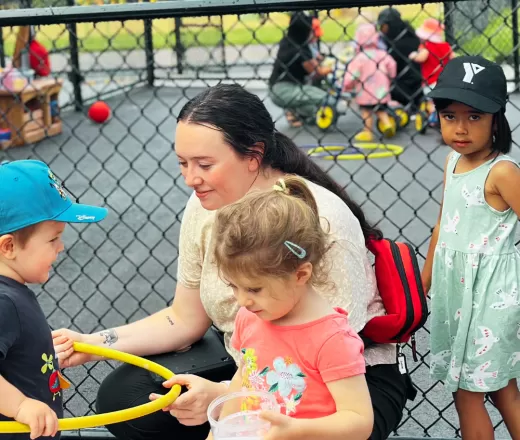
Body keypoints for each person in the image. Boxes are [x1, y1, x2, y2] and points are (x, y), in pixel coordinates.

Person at [53, 83, 408, 440]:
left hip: (341, 383)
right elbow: (184, 318)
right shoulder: (205, 204)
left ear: (254, 156)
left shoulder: (321, 219)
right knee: (126, 397)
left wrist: (229, 400)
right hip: (255, 364)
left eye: (204, 164)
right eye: (182, 163)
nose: (190, 178)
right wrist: (92, 343)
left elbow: (310, 360)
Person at [209, 175, 373, 440]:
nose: (242, 300)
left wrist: (296, 431)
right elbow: (245, 380)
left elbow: (359, 421)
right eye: (233, 286)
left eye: (253, 289)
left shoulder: (331, 339)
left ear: (300, 274)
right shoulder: (250, 317)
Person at [421, 55, 520, 440]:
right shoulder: (453, 162)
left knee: (467, 394)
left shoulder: (502, 172)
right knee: (501, 388)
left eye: (474, 116)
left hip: (490, 297)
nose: (460, 128)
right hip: (457, 293)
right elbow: (443, 224)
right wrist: (423, 282)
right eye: (450, 116)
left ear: (497, 118)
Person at [0, 160, 108, 440]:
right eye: (53, 239)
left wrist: (38, 356)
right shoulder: (4, 303)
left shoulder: (11, 294)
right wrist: (20, 405)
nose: (61, 247)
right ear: (9, 246)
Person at [268, 12, 332, 127]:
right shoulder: (299, 51)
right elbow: (317, 72)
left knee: (312, 109)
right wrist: (332, 67)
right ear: (304, 31)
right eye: (311, 30)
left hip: (278, 87)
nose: (313, 33)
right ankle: (294, 111)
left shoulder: (288, 40)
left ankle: (300, 114)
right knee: (326, 98)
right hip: (283, 90)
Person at [342, 23, 397, 141]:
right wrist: (391, 77)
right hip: (381, 91)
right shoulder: (382, 54)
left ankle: (367, 131)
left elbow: (352, 74)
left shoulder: (359, 57)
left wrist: (347, 85)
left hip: (365, 92)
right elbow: (392, 65)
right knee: (380, 110)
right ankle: (387, 124)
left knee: (366, 111)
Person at [409, 18, 455, 122]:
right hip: (446, 80)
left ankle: (433, 115)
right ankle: (444, 115)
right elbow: (453, 57)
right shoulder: (446, 46)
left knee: (431, 101)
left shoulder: (427, 47)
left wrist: (413, 55)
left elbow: (422, 58)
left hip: (431, 80)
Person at [377, 8, 424, 111]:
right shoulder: (408, 34)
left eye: (383, 26)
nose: (381, 29)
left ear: (391, 25)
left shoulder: (399, 44)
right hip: (416, 85)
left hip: (409, 85)